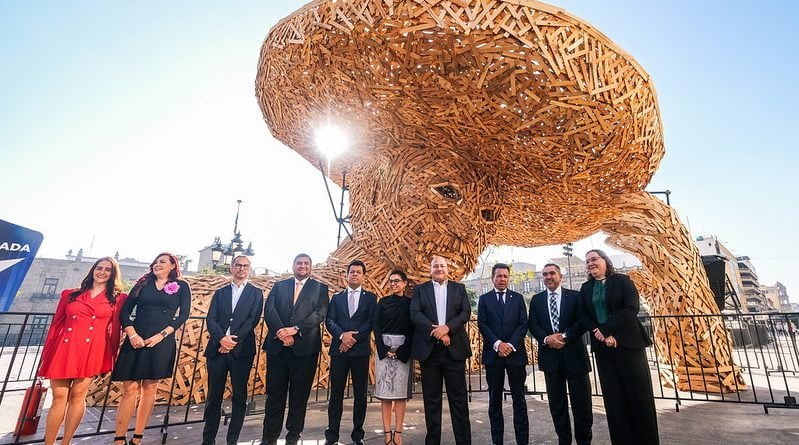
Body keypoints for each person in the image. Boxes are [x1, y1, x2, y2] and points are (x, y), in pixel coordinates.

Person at [37, 257, 127, 445]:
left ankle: (66, 442)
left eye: (108, 269)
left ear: (113, 274)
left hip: (93, 350)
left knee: (78, 395)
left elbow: (115, 330)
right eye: (99, 268)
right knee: (58, 397)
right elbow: (56, 325)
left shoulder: (118, 299)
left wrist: (111, 358)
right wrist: (47, 353)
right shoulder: (70, 294)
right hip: (65, 347)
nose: (102, 272)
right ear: (93, 270)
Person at [579, 249, 659, 445]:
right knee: (614, 400)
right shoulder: (586, 288)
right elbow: (583, 315)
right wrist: (601, 334)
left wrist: (607, 330)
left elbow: (631, 308)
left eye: (594, 259)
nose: (590, 263)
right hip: (603, 349)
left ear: (605, 261)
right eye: (587, 261)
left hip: (629, 344)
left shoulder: (622, 281)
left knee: (639, 397)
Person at [112, 253, 192, 445]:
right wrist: (132, 334)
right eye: (156, 262)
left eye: (162, 262)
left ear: (173, 266)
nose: (157, 264)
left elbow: (183, 315)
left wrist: (161, 335)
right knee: (129, 389)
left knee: (149, 388)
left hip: (161, 341)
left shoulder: (182, 286)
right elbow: (125, 312)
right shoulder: (142, 284)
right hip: (136, 339)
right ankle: (119, 438)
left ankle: (137, 437)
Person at [260, 253, 329, 445]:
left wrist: (296, 329)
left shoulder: (320, 288)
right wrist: (281, 332)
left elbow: (320, 313)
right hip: (278, 348)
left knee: (299, 397)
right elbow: (269, 309)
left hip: (305, 350)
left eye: (306, 263)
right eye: (299, 263)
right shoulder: (279, 286)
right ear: (293, 266)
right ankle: (269, 438)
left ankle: (293, 437)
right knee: (274, 396)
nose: (302, 266)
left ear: (311, 267)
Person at [202, 255, 264, 445]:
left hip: (241, 351)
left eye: (245, 266)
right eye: (238, 265)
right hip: (217, 350)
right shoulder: (220, 293)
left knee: (239, 396)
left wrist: (231, 341)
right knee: (213, 397)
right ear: (231, 267)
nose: (241, 268)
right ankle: (208, 439)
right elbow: (211, 319)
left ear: (249, 269)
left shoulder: (256, 293)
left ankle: (232, 439)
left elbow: (252, 320)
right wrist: (221, 339)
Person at [410, 255, 472, 445]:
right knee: (432, 402)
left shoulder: (459, 288)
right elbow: (415, 313)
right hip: (430, 353)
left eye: (442, 266)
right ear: (430, 270)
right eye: (435, 266)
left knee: (459, 401)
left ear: (447, 269)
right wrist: (437, 332)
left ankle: (464, 441)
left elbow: (465, 312)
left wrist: (447, 328)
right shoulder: (420, 290)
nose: (439, 269)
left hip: (454, 351)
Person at [529, 263, 592, 445]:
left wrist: (564, 336)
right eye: (544, 274)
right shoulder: (537, 300)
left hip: (575, 357)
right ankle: (564, 440)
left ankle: (584, 440)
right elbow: (533, 324)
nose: (548, 277)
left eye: (552, 273)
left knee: (582, 404)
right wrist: (547, 339)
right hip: (550, 359)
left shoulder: (575, 296)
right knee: (557, 405)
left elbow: (582, 322)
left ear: (560, 276)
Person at [324, 260, 376, 445]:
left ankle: (358, 435)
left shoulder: (371, 298)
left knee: (360, 395)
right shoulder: (336, 297)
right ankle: (332, 435)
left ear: (363, 276)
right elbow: (330, 320)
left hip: (360, 352)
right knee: (336, 395)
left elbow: (370, 322)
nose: (354, 274)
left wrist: (352, 338)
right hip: (339, 351)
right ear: (346, 275)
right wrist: (342, 336)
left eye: (358, 272)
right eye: (352, 271)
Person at [477, 263, 529, 445]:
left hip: (516, 355)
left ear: (509, 278)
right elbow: (483, 324)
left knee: (519, 400)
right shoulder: (484, 299)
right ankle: (497, 441)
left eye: (505, 276)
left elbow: (523, 324)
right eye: (499, 276)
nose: (502, 279)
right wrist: (498, 344)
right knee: (495, 401)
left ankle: (522, 441)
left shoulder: (518, 298)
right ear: (492, 278)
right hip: (493, 356)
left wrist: (510, 345)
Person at [373, 270, 414, 445]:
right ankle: (386, 433)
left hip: (403, 349)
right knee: (385, 395)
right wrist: (384, 349)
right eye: (391, 281)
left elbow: (413, 329)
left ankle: (398, 433)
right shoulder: (382, 302)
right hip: (384, 348)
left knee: (400, 395)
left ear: (404, 283)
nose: (393, 284)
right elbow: (376, 326)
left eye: (397, 281)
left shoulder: (411, 303)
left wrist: (401, 350)